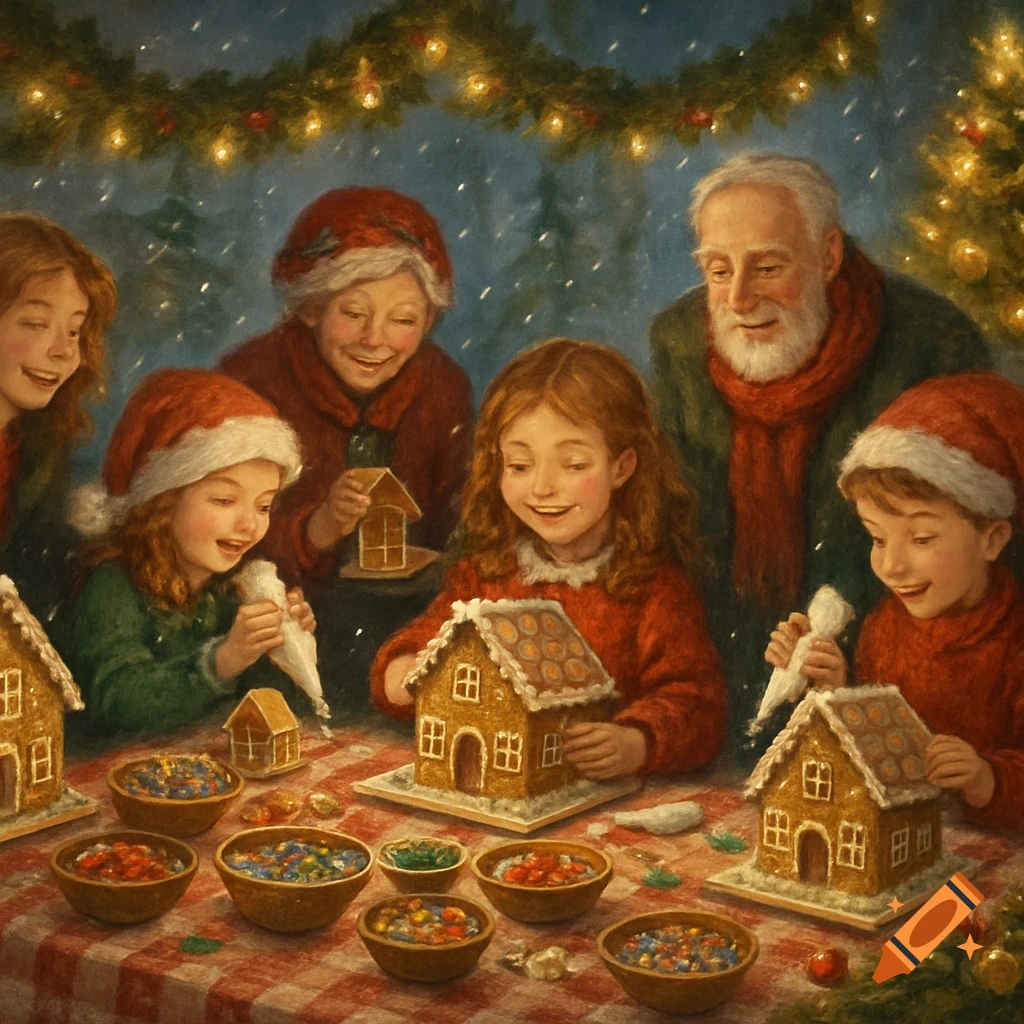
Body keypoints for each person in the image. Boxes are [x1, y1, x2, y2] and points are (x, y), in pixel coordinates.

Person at [648, 152, 991, 757]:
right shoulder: (679, 342)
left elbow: (964, 552)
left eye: (768, 267)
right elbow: (667, 522)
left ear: (828, 255)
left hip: (877, 686)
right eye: (718, 270)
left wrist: (841, 649)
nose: (738, 299)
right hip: (715, 689)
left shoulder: (929, 341)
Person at [371, 338, 726, 780]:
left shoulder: (654, 590)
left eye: (573, 465)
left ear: (622, 467)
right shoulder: (486, 576)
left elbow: (696, 702)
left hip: (603, 806)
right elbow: (432, 639)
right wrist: (404, 670)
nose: (541, 487)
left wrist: (637, 741)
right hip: (494, 781)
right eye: (519, 466)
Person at [219, 187, 473, 711]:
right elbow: (215, 544)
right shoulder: (250, 381)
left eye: (403, 320)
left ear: (427, 321)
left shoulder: (443, 388)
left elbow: (463, 520)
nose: (375, 339)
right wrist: (317, 530)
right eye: (354, 313)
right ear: (312, 307)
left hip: (408, 634)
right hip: (279, 638)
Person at [768, 372, 1024, 830]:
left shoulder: (1016, 644)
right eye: (877, 538)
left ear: (992, 538)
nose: (892, 566)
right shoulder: (884, 629)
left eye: (921, 538)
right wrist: (832, 689)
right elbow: (876, 758)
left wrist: (988, 779)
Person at [69, 368, 315, 737]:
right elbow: (116, 700)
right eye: (224, 500)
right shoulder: (113, 587)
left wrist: (282, 645)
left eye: (263, 506)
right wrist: (221, 662)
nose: (249, 524)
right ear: (163, 503)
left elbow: (268, 702)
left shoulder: (231, 589)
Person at [0, 214, 116, 628]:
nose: (64, 352)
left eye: (74, 331)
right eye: (35, 324)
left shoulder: (41, 445)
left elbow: (36, 565)